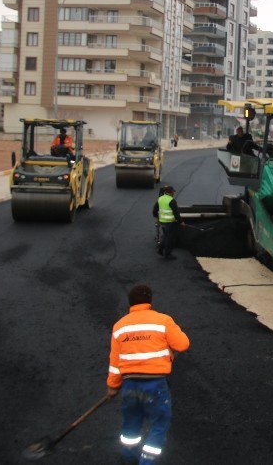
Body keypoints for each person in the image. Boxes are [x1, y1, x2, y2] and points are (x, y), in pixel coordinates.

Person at [107, 283, 190, 463]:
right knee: (159, 424)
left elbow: (115, 362)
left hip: (129, 385)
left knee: (131, 423)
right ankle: (147, 462)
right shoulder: (163, 321)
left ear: (130, 304)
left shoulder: (119, 326)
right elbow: (182, 345)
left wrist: (113, 386)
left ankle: (128, 457)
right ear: (149, 301)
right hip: (156, 385)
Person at [152, 186, 182, 260]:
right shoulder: (172, 201)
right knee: (170, 238)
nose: (173, 193)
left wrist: (157, 217)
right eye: (172, 192)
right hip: (170, 222)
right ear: (170, 192)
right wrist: (181, 222)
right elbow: (176, 213)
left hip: (163, 221)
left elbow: (155, 210)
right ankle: (167, 254)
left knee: (166, 236)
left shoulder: (160, 199)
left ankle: (160, 250)